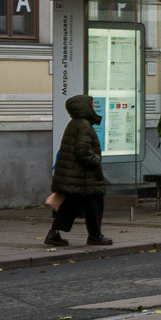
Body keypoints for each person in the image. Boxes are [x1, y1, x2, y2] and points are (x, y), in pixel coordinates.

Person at [45, 95, 111, 247]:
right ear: (84, 107)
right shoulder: (84, 125)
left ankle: (53, 233)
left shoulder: (75, 123)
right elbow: (82, 151)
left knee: (71, 204)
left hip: (75, 175)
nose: (94, 107)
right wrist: (96, 160)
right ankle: (95, 236)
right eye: (92, 104)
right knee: (94, 203)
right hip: (84, 176)